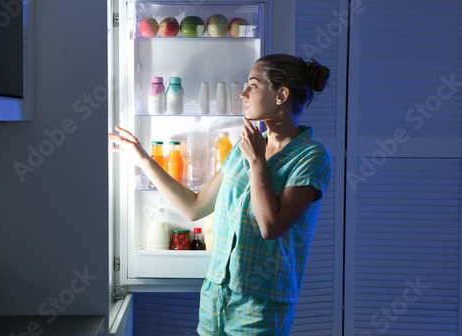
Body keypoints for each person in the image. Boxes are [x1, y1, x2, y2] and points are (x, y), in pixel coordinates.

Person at [109, 53, 331, 336]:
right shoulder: (245, 148)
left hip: (260, 304)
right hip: (215, 295)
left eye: (253, 84)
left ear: (281, 95)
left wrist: (257, 162)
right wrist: (143, 160)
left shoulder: (311, 156)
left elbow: (271, 227)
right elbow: (195, 206)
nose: (243, 94)